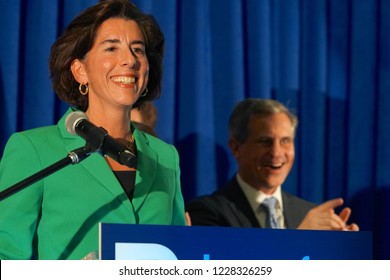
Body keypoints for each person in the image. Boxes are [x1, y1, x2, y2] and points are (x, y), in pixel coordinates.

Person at [0, 0, 186, 260]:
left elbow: (179, 256)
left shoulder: (166, 157)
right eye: (112, 48)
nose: (129, 60)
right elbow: (6, 258)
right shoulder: (34, 150)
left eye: (138, 50)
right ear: (80, 70)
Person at [186, 98, 359, 231]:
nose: (276, 153)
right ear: (236, 147)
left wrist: (342, 254)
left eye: (285, 141)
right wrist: (301, 239)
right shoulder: (207, 213)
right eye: (265, 141)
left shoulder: (307, 213)